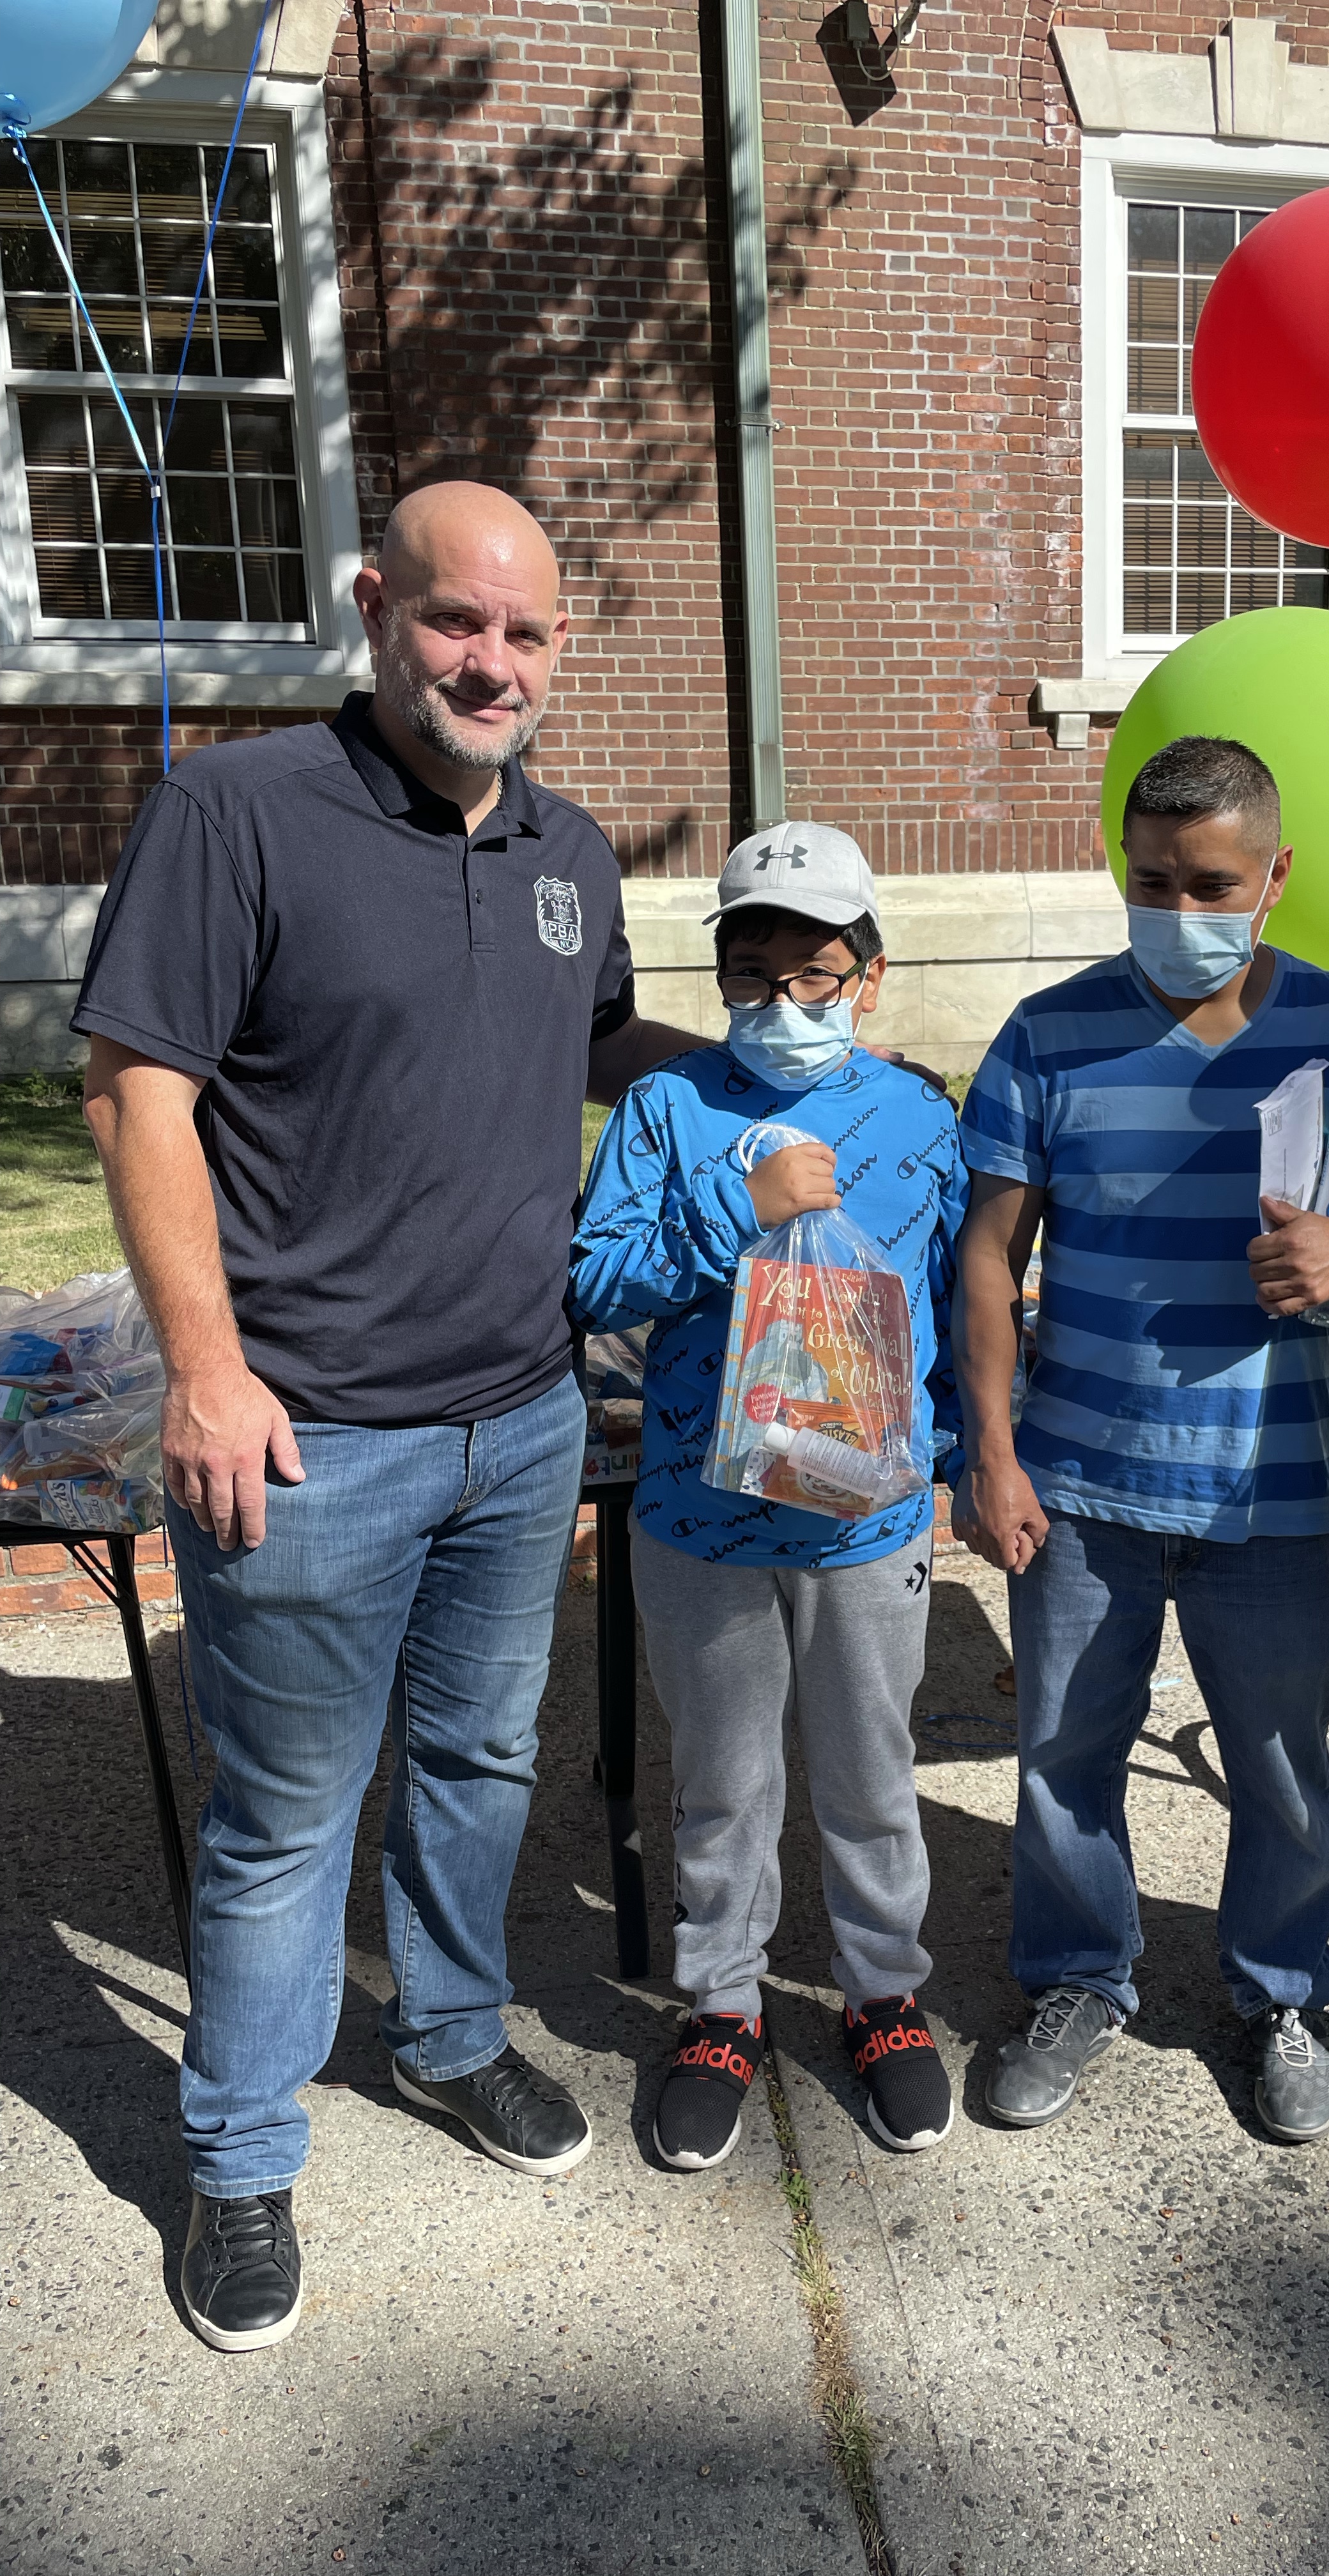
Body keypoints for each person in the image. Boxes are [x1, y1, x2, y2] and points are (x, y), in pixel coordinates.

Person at [75, 482, 702, 2352]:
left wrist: (778, 1072)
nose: (490, 663)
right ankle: (239, 2157)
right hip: (310, 1438)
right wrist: (207, 1371)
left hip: (520, 1421)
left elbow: (595, 1041)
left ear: (561, 649)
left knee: (480, 1763)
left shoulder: (570, 852)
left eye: (525, 633)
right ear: (375, 606)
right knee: (286, 1821)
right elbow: (135, 1093)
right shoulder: (236, 815)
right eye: (455, 620)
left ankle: (445, 2035)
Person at [950, 736, 1329, 2139]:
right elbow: (989, 1258)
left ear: (1275, 877)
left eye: (1211, 884)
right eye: (1151, 880)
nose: (1179, 908)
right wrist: (991, 1453)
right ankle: (1078, 1976)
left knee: (1283, 1761)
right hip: (1079, 1482)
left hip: (1273, 1485)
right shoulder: (1047, 1035)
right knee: (1063, 1758)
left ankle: (1281, 1992)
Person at [570, 822, 966, 2168]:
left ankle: (883, 1997)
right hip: (703, 1517)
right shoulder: (667, 1109)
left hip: (868, 1518)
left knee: (871, 1776)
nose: (783, 1003)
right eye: (752, 975)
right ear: (721, 977)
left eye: (815, 976)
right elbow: (594, 1284)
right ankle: (722, 2008)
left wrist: (956, 1454)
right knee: (725, 1785)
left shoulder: (919, 1118)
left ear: (869, 977)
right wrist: (738, 1209)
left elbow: (952, 1307)